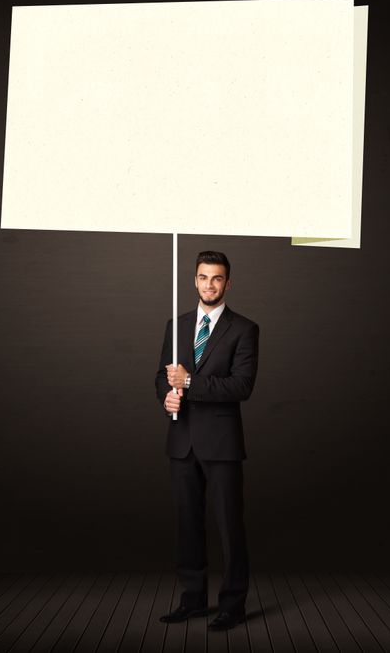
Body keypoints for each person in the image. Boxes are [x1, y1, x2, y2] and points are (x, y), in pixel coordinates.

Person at [155, 250, 259, 631]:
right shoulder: (177, 324)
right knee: (188, 524)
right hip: (181, 440)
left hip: (222, 444)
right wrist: (166, 397)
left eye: (217, 278)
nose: (209, 285)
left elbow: (241, 386)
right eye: (203, 277)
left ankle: (232, 604)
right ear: (194, 280)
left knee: (229, 526)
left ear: (227, 283)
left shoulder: (244, 329)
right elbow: (161, 375)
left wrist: (191, 383)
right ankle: (193, 600)